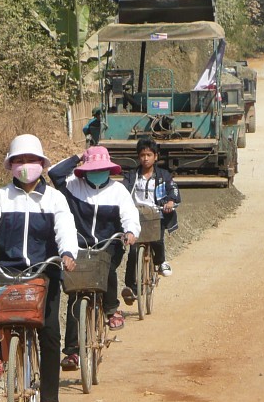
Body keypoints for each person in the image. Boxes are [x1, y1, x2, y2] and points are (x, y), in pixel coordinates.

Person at [0, 134, 78, 402]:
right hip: (8, 270)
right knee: (1, 314)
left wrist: (67, 253)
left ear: (42, 164)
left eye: (31, 160)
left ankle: (50, 401)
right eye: (19, 160)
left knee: (50, 332)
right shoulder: (0, 197)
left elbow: (65, 227)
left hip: (45, 272)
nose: (26, 165)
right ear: (11, 165)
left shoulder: (54, 199)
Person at [48, 146, 139, 370]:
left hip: (109, 245)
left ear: (109, 169)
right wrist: (79, 157)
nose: (98, 172)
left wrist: (130, 232)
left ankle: (111, 308)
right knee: (75, 297)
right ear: (85, 170)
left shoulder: (118, 191)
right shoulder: (72, 187)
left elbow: (130, 215)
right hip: (78, 248)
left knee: (106, 267)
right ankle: (72, 352)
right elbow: (54, 173)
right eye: (93, 168)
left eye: (102, 168)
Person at [120, 137, 179, 306]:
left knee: (157, 241)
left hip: (156, 216)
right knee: (132, 252)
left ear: (156, 156)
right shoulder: (131, 176)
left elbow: (173, 191)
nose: (145, 158)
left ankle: (160, 262)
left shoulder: (163, 176)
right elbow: (122, 193)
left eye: (149, 154)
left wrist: (170, 202)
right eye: (142, 155)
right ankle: (130, 287)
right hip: (136, 218)